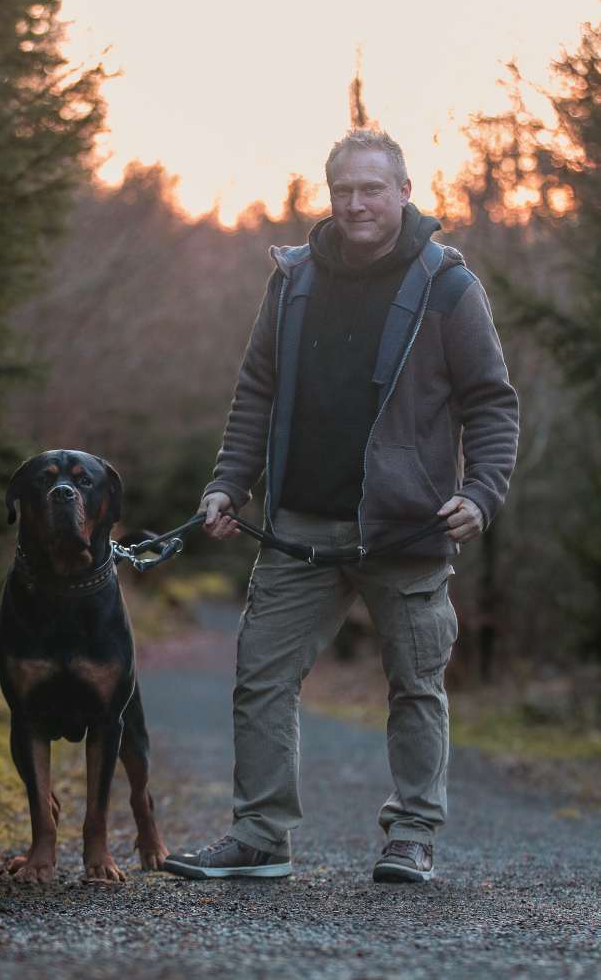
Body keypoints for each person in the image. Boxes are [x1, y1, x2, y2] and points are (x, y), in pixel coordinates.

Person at [162, 129, 519, 883]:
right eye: (344, 191)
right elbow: (254, 393)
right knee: (261, 676)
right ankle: (260, 836)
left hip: (409, 526)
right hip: (298, 525)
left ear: (404, 192)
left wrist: (481, 494)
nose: (356, 203)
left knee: (416, 683)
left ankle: (412, 835)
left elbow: (492, 403)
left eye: (372, 189)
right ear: (331, 196)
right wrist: (230, 483)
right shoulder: (292, 281)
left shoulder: (448, 287)